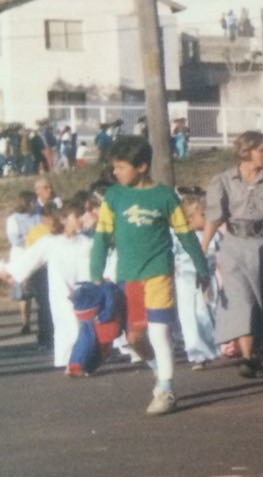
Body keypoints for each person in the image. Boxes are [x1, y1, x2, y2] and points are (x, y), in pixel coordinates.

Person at [90, 137, 210, 414]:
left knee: (159, 332)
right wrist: (95, 273)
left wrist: (201, 268)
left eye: (121, 167)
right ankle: (159, 371)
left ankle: (166, 391)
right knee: (133, 339)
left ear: (142, 166)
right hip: (127, 276)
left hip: (159, 273)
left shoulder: (165, 196)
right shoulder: (114, 196)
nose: (116, 173)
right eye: (114, 167)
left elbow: (185, 235)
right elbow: (101, 237)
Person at [201, 130, 263, 378]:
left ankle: (255, 353)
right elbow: (214, 217)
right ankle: (247, 357)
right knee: (242, 301)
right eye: (261, 150)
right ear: (246, 151)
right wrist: (202, 247)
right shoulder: (223, 181)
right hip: (235, 245)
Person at [0, 203, 92, 370]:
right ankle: (72, 361)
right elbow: (30, 259)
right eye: (76, 216)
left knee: (82, 324)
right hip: (61, 292)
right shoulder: (50, 242)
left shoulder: (87, 242)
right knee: (68, 323)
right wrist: (9, 272)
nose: (80, 219)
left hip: (85, 290)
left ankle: (77, 360)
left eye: (81, 215)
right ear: (63, 219)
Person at [174, 190, 220, 368]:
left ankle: (216, 344)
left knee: (209, 312)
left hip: (209, 278)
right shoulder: (178, 238)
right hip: (186, 280)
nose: (207, 217)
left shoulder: (213, 235)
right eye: (203, 214)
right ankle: (196, 353)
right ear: (190, 219)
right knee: (190, 317)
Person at [5, 191, 38, 334]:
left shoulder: (37, 216)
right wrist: (31, 238)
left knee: (36, 288)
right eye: (32, 202)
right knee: (24, 292)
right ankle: (25, 321)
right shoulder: (13, 219)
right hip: (21, 256)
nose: (34, 205)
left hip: (36, 255)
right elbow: (15, 240)